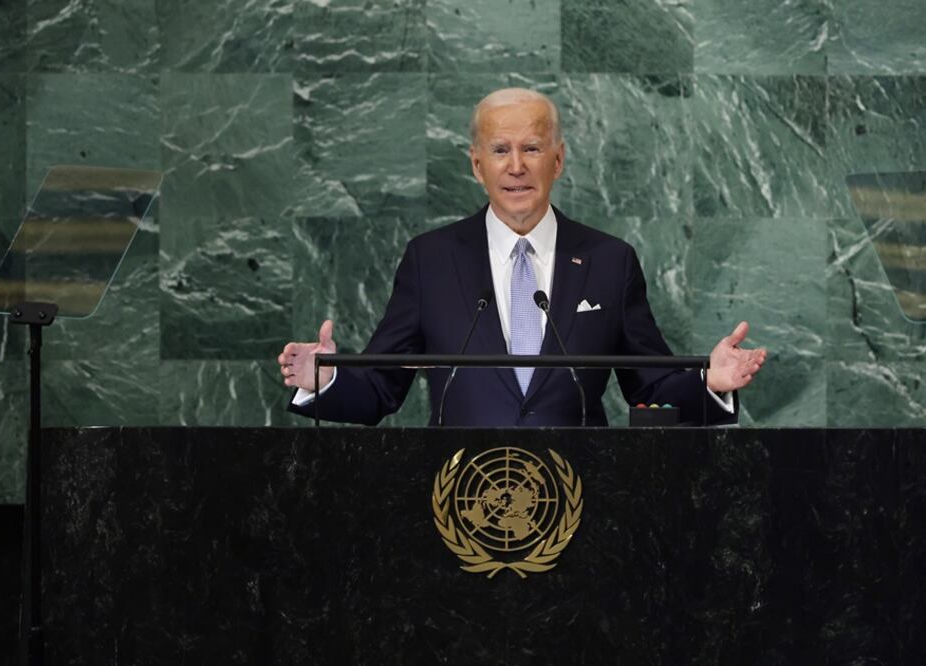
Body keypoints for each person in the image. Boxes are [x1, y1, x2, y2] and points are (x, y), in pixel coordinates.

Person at [278, 88, 766, 426]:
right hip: (457, 501)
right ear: (476, 164)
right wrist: (322, 381)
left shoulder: (608, 260)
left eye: (532, 148)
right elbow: (380, 388)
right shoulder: (431, 260)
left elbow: (652, 387)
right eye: (500, 150)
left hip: (584, 503)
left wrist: (710, 382)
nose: (516, 167)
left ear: (557, 160)